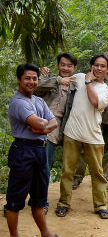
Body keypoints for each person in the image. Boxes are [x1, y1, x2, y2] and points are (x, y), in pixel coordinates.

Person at [6, 64, 67, 237]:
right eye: (27, 78)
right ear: (19, 80)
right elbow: (41, 122)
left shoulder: (39, 101)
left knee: (40, 197)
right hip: (23, 150)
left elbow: (53, 122)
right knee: (15, 199)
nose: (31, 82)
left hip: (39, 150)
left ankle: (46, 235)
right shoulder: (18, 102)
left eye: (34, 78)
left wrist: (42, 128)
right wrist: (43, 125)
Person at [56, 55, 108, 219]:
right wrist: (47, 74)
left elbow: (96, 103)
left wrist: (89, 83)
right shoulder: (80, 77)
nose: (98, 68)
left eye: (102, 66)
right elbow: (63, 78)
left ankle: (101, 205)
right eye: (96, 65)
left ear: (107, 69)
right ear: (91, 66)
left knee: (97, 173)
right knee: (67, 171)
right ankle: (63, 203)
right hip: (72, 133)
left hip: (93, 136)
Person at [72, 37, 108, 189]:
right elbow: (94, 70)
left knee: (106, 148)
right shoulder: (104, 65)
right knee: (87, 145)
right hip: (97, 113)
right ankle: (77, 176)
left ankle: (101, 177)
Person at [34, 53, 77, 185]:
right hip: (35, 126)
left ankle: (41, 201)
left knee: (46, 165)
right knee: (29, 164)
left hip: (53, 131)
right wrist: (58, 80)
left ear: (74, 68)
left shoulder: (75, 87)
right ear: (58, 65)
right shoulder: (49, 78)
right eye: (62, 65)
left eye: (69, 66)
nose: (65, 68)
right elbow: (36, 85)